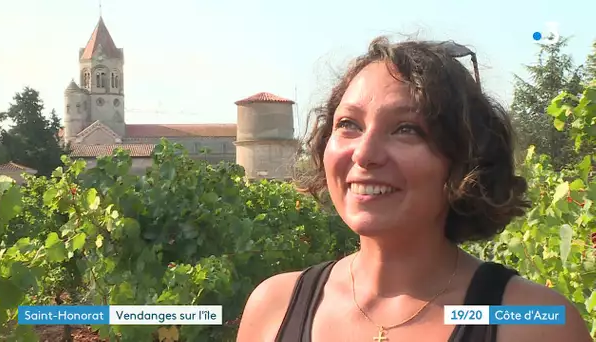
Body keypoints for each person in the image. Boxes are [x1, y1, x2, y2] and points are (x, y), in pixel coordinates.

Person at [236, 37, 592, 342]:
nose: (364, 153)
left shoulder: (535, 321)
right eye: (348, 125)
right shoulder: (273, 307)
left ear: (463, 158)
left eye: (406, 129)